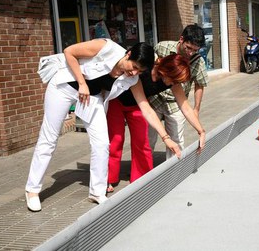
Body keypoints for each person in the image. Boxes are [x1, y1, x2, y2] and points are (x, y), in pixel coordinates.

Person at [25, 39, 181, 212]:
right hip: (64, 88)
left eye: (139, 71)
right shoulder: (106, 47)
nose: (134, 72)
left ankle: (97, 192)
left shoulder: (133, 79)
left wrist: (166, 138)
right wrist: (82, 83)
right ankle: (32, 190)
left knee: (102, 143)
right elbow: (69, 51)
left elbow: (145, 108)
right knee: (49, 138)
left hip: (92, 97)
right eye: (134, 66)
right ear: (128, 54)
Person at [106, 54, 206, 192]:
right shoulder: (145, 68)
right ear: (166, 72)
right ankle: (108, 178)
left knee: (142, 141)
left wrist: (201, 131)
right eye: (174, 80)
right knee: (116, 140)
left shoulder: (172, 82)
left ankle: (141, 178)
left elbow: (185, 107)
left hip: (138, 104)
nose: (174, 84)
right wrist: (166, 138)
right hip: (116, 99)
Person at [148, 24, 209, 159]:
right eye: (188, 48)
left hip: (176, 102)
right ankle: (144, 171)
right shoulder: (162, 47)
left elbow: (200, 85)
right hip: (154, 98)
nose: (190, 53)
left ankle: (174, 170)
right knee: (148, 139)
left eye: (195, 50)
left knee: (176, 140)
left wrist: (196, 110)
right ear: (181, 39)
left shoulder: (197, 62)